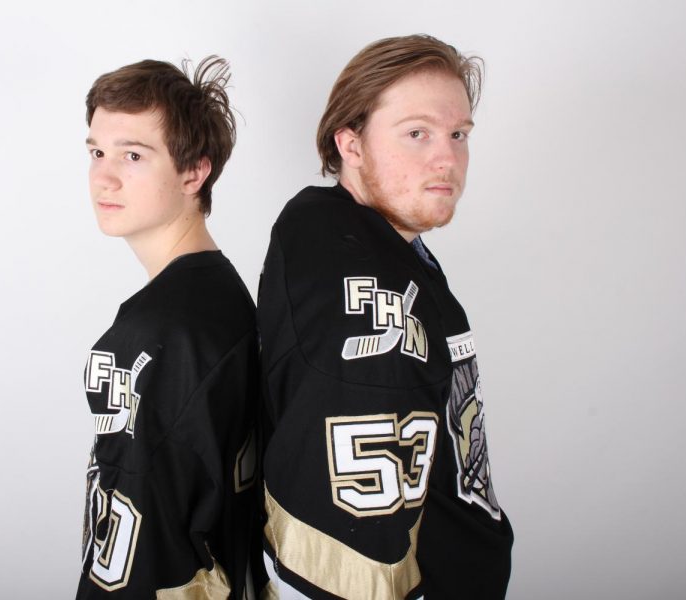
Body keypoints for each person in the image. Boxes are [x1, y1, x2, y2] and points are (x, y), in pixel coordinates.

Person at [255, 35, 514, 599]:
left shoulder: (381, 249)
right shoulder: (357, 273)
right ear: (350, 143)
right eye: (416, 133)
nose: (447, 156)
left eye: (458, 134)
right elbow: (348, 537)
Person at [77, 56, 257, 599]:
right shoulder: (223, 296)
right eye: (96, 152)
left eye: (133, 154)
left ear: (193, 172)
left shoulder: (157, 334)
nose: (103, 176)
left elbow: (131, 548)